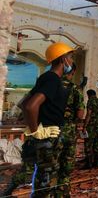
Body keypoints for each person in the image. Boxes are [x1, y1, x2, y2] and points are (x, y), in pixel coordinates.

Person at [3, 42, 74, 197]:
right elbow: (30, 107)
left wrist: (35, 125)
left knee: (46, 179)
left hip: (48, 134)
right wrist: (36, 131)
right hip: (48, 136)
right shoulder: (53, 79)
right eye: (70, 57)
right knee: (46, 183)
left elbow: (23, 104)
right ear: (63, 59)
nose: (72, 61)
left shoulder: (46, 77)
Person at [58, 63, 85, 196]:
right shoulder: (74, 89)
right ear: (72, 72)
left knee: (49, 163)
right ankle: (63, 190)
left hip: (48, 129)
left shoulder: (48, 84)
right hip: (68, 130)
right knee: (67, 161)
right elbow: (80, 114)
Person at [82, 89, 98, 168]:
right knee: (96, 144)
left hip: (91, 126)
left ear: (89, 95)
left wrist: (84, 126)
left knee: (88, 144)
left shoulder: (90, 101)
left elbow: (88, 114)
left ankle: (88, 164)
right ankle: (96, 163)